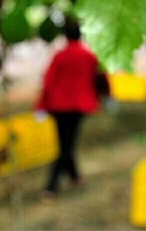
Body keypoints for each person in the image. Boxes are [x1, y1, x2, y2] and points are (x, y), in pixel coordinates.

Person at [35, 20, 107, 198]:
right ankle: (51, 186)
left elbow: (48, 81)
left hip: (58, 106)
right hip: (78, 107)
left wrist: (41, 105)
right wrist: (107, 95)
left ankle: (73, 178)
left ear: (65, 36)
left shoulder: (60, 55)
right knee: (66, 145)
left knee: (65, 143)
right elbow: (101, 78)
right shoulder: (88, 56)